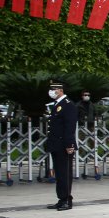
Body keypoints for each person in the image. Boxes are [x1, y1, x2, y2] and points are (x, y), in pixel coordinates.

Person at [44, 81, 78, 210]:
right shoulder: (58, 105)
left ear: (61, 90)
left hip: (64, 145)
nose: (52, 92)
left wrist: (69, 144)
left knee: (65, 174)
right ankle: (61, 198)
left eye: (54, 89)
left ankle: (67, 200)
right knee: (59, 173)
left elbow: (70, 127)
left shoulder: (68, 105)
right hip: (56, 144)